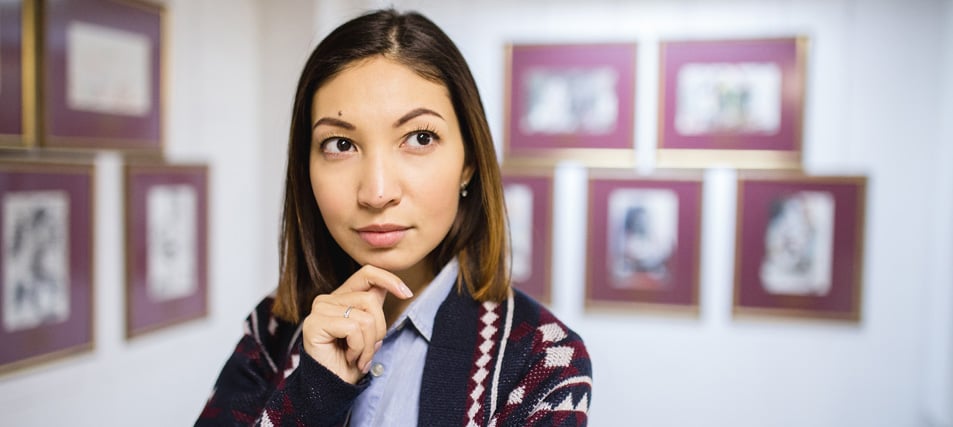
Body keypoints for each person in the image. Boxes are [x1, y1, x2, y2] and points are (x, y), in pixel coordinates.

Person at [196, 9, 591, 427]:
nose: (377, 192)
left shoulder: (543, 359)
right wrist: (312, 393)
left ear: (469, 163)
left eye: (420, 138)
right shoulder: (274, 330)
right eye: (340, 144)